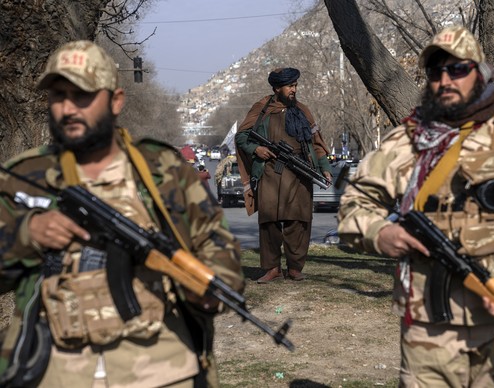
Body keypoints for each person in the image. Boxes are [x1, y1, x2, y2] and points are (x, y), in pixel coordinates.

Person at [337, 26, 494, 387]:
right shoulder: (405, 143)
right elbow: (355, 204)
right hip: (427, 329)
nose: (446, 79)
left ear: (480, 72)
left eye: (458, 69)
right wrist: (380, 233)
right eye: (436, 72)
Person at [0, 40, 244, 387]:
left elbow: (218, 245)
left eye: (82, 95)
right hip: (54, 371)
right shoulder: (24, 177)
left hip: (162, 369)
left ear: (116, 101)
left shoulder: (164, 172)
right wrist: (26, 234)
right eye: (58, 96)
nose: (68, 108)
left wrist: (207, 286)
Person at [235, 67, 332, 283]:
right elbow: (241, 137)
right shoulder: (261, 109)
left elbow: (316, 143)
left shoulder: (303, 111)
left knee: (298, 222)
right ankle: (272, 268)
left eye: (296, 86)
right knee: (269, 222)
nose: (294, 90)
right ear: (277, 88)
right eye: (290, 86)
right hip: (269, 172)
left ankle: (295, 268)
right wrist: (256, 149)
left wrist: (324, 167)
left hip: (299, 173)